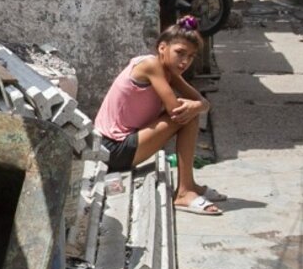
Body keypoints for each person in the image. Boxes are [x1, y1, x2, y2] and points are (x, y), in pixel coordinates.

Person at [93, 16, 225, 215]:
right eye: (180, 53)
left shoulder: (169, 72)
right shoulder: (151, 65)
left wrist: (198, 106)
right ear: (162, 47)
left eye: (190, 56)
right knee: (187, 114)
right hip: (111, 149)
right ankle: (184, 192)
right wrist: (198, 106)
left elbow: (204, 103)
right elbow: (178, 111)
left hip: (124, 144)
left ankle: (189, 186)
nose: (185, 61)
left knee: (190, 110)